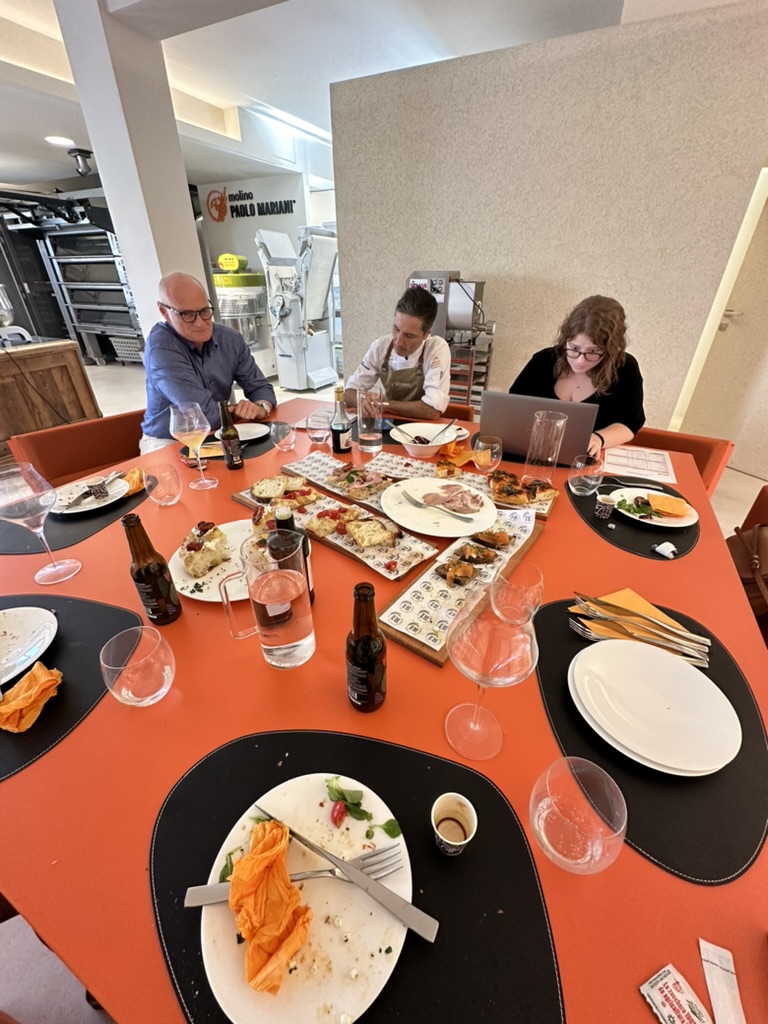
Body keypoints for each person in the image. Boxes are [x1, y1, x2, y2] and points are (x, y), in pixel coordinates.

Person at [140, 272, 277, 453]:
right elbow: (203, 416)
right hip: (169, 440)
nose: (200, 323)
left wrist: (261, 407)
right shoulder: (161, 348)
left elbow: (261, 388)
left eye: (204, 311)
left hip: (220, 432)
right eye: (187, 314)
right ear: (164, 311)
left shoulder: (230, 338)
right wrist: (238, 409)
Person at [509, 295, 645, 457]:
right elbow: (512, 407)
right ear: (565, 340)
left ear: (610, 350)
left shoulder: (625, 368)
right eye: (574, 348)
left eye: (593, 351)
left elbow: (630, 422)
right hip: (533, 453)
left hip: (586, 459)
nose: (580, 361)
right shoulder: (544, 360)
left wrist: (598, 439)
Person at [344, 286, 451, 420]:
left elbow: (432, 410)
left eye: (409, 336)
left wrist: (384, 405)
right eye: (396, 329)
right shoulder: (380, 347)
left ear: (426, 334)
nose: (399, 342)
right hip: (390, 424)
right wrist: (364, 402)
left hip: (424, 428)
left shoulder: (436, 349)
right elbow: (349, 392)